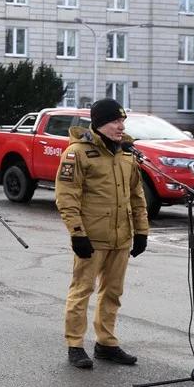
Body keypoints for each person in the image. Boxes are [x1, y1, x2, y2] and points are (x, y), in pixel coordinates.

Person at [55, 98, 150, 369]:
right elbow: (66, 196)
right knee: (82, 290)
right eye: (115, 121)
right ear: (99, 124)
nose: (121, 126)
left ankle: (106, 343)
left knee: (113, 292)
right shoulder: (78, 152)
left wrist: (141, 231)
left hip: (121, 236)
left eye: (123, 121)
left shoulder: (127, 153)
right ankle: (75, 344)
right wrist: (77, 233)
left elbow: (136, 195)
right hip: (92, 236)